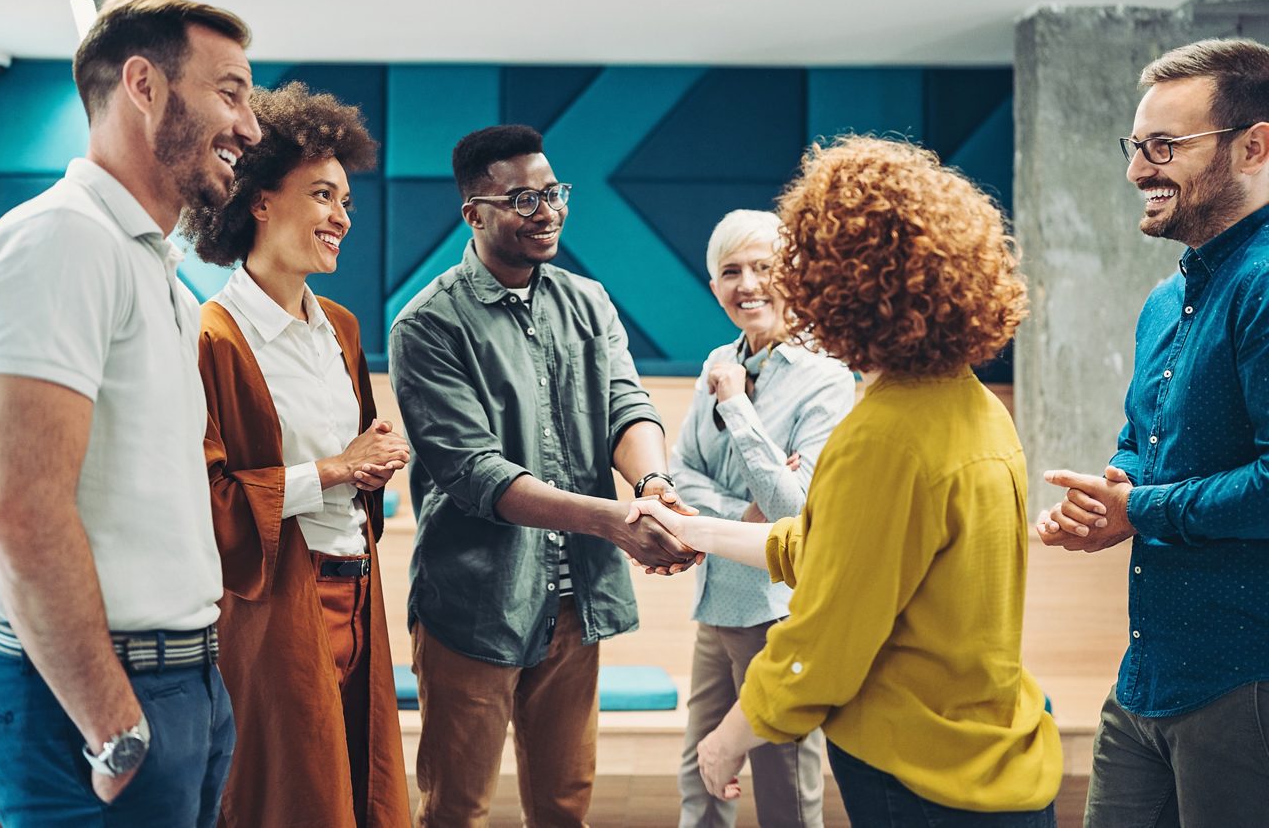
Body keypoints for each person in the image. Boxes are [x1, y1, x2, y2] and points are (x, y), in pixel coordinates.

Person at [631, 136, 1063, 827]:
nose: (781, 290)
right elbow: (830, 546)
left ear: (845, 285)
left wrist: (729, 738)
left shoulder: (884, 433)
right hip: (994, 752)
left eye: (794, 268)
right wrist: (694, 526)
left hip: (919, 773)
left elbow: (827, 635)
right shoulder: (976, 407)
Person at [0, 0, 260, 826]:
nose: (251, 127)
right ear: (143, 84)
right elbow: (23, 508)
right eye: (232, 92)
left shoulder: (149, 261)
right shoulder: (62, 240)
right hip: (96, 697)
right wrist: (113, 726)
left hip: (180, 681)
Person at [388, 123, 696, 826]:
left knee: (564, 804)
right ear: (475, 213)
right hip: (475, 605)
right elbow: (478, 474)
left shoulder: (586, 301)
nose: (548, 211)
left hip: (573, 601)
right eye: (524, 199)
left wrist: (649, 488)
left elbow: (626, 405)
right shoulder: (428, 325)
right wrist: (615, 521)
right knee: (456, 809)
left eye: (554, 192)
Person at [1037, 38, 1269, 827]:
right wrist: (1111, 491)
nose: (1139, 170)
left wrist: (1141, 511)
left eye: (1165, 147)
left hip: (1245, 685)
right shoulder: (1162, 302)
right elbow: (1142, 440)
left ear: (1255, 145)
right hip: (1143, 681)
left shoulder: (1265, 284)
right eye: (1137, 147)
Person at [180, 81, 411, 827]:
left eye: (346, 200)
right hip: (274, 605)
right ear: (258, 200)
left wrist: (374, 459)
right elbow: (208, 498)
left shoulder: (339, 327)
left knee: (361, 787)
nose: (342, 217)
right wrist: (339, 468)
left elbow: (358, 457)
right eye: (321, 195)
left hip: (360, 589)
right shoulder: (213, 336)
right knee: (292, 800)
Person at [672, 209, 852, 828]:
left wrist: (737, 406)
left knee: (784, 784)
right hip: (718, 596)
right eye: (730, 272)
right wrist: (743, 511)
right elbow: (681, 475)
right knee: (700, 771)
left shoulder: (826, 378)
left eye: (763, 267)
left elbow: (795, 510)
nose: (747, 284)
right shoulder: (719, 359)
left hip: (779, 609)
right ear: (714, 285)